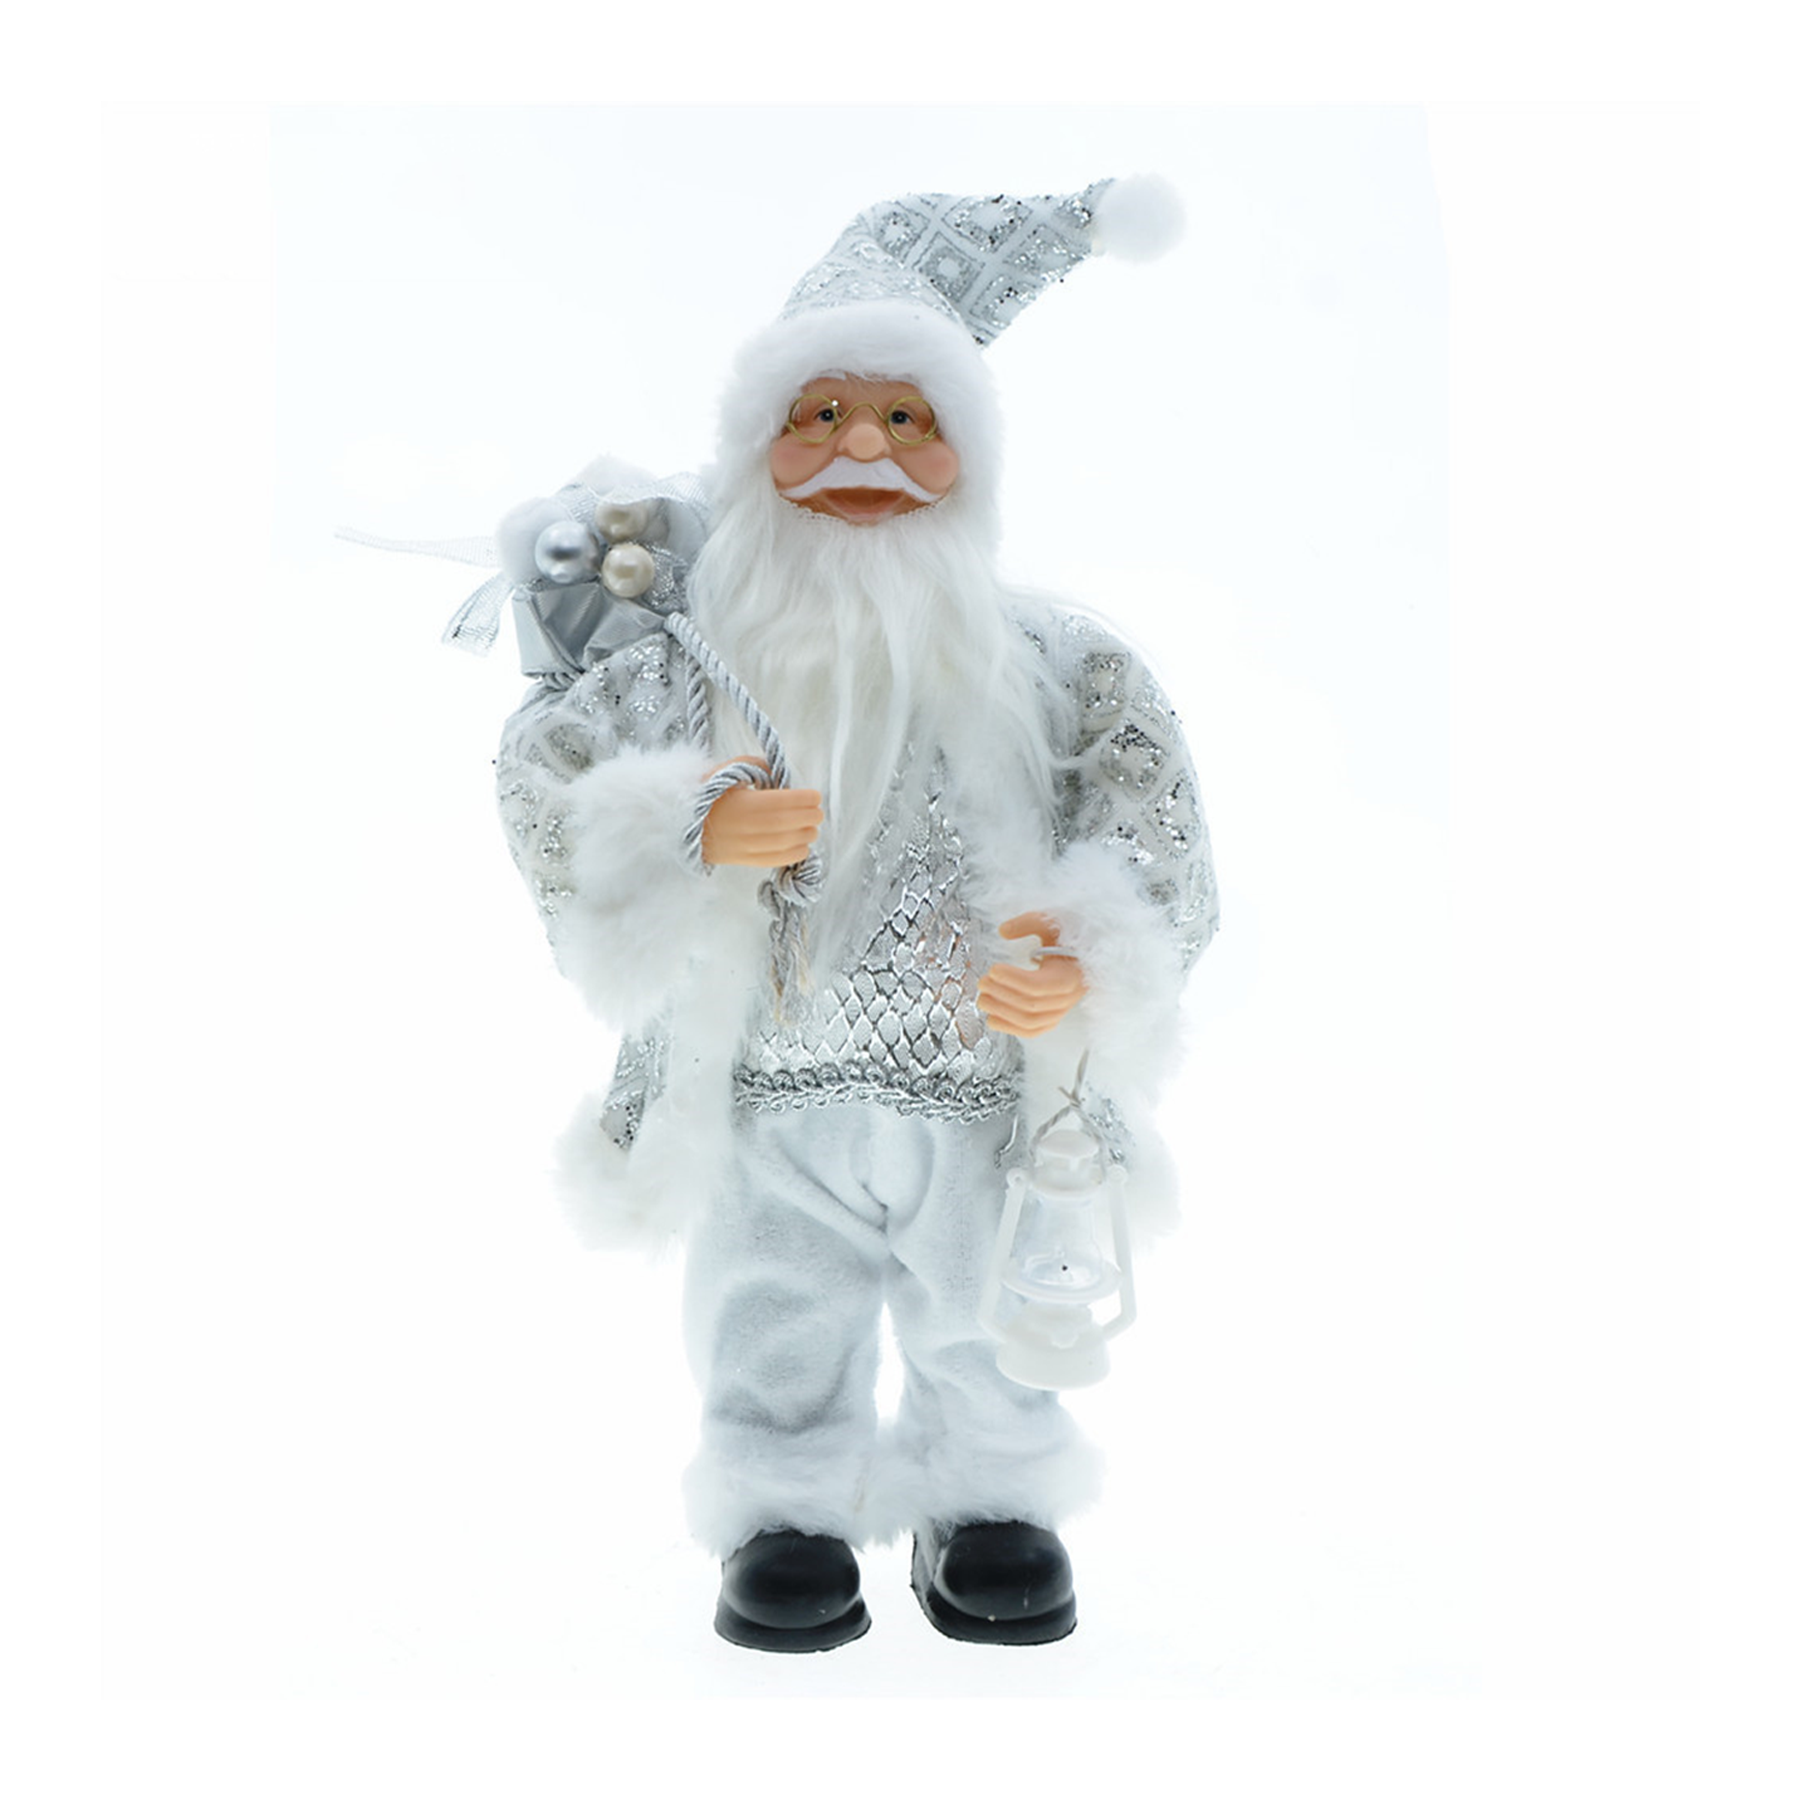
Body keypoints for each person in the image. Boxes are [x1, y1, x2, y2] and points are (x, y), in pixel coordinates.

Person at [492, 180, 1218, 1651]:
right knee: (773, 1305)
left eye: (907, 419)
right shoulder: (691, 663)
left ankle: (990, 1501)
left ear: (972, 459)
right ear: (754, 453)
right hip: (768, 1088)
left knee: (989, 1303)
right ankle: (785, 1513)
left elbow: (1153, 828)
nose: (866, 450)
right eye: (820, 416)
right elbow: (548, 774)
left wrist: (1086, 954)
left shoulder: (1053, 662)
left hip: (983, 1095)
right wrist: (690, 825)